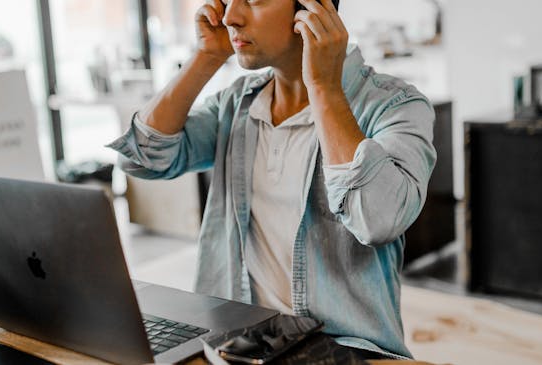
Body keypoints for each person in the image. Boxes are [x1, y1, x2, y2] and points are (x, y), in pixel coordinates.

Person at [107, 0, 435, 359]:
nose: (230, 16)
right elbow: (140, 157)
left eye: (252, 0)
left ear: (311, 10)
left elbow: (378, 220)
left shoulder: (395, 105)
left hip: (344, 352)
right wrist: (206, 57)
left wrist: (324, 88)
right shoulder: (237, 103)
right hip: (237, 346)